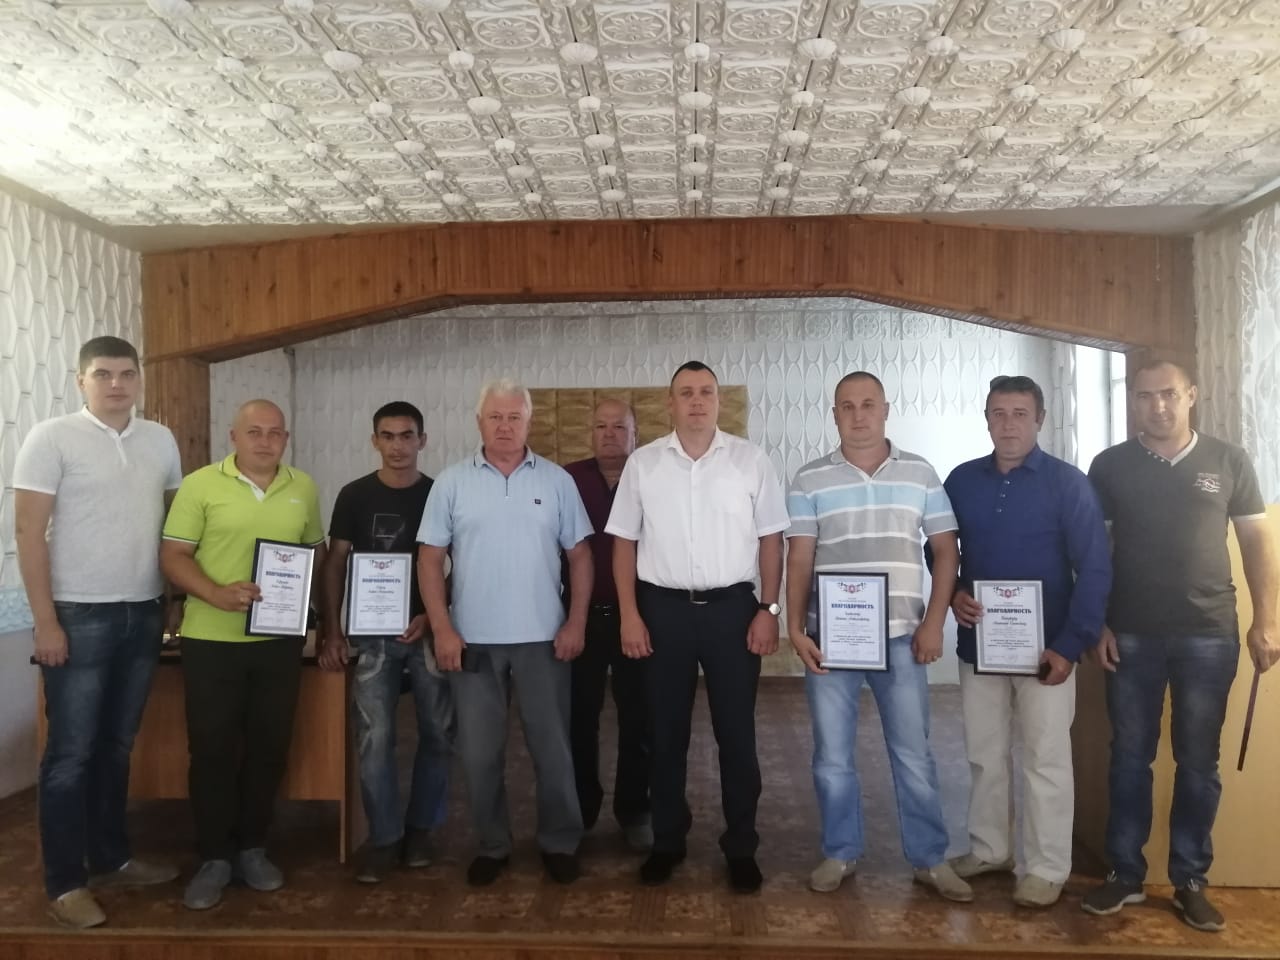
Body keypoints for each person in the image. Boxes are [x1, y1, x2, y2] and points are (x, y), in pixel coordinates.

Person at [1082, 356, 1278, 932]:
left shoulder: (1229, 460)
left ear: (1191, 395)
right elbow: (1095, 553)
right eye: (1145, 396)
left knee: (1198, 762)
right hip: (1129, 635)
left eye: (1168, 393)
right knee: (1129, 758)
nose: (1158, 406)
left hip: (1209, 635)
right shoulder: (1109, 466)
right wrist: (1098, 623)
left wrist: (1266, 620)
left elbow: (1257, 543)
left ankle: (1191, 879)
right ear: (1133, 401)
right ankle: (1124, 874)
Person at [14, 336, 183, 928]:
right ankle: (65, 884)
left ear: (139, 379)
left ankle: (112, 857)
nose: (116, 384)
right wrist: (45, 622)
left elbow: (175, 528)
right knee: (70, 755)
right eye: (103, 374)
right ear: (81, 380)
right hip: (77, 615)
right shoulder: (51, 437)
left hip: (144, 612)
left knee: (116, 747)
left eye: (127, 374)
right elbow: (28, 533)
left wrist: (174, 602)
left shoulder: (160, 440)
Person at [785, 371, 971, 902]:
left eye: (868, 404)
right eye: (847, 406)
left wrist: (934, 622)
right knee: (831, 756)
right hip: (832, 639)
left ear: (886, 410)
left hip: (903, 639)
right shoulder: (808, 479)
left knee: (913, 754)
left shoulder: (920, 473)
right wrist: (794, 627)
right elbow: (800, 558)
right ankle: (840, 851)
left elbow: (946, 552)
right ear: (834, 415)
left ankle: (930, 859)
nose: (858, 415)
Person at [606, 361, 788, 894]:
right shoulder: (643, 464)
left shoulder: (750, 461)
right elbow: (623, 543)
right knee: (664, 734)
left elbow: (772, 539)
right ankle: (667, 841)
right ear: (670, 403)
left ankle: (741, 846)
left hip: (734, 611)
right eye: (685, 393)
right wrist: (630, 615)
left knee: (737, 735)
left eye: (706, 392)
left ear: (718, 400)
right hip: (661, 611)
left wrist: (769, 609)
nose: (696, 401)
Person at [942, 375, 1112, 907]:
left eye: (1020, 414)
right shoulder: (961, 480)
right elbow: (940, 549)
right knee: (984, 753)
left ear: (1039, 419)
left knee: (1045, 757)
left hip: (1048, 651)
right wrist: (954, 593)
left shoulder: (1068, 484)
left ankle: (1046, 867)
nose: (1008, 424)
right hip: (980, 644)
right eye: (998, 413)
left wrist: (1071, 644)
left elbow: (1095, 567)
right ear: (986, 419)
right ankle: (990, 850)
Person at [417, 378, 593, 886]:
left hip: (544, 639)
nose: (505, 426)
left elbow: (581, 556)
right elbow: (429, 560)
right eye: (495, 417)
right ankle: (492, 844)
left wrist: (576, 621)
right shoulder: (451, 483)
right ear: (479, 422)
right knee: (479, 753)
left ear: (529, 422)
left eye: (514, 417)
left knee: (552, 749)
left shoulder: (557, 482)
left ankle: (560, 841)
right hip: (472, 641)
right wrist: (443, 628)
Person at [160, 399, 327, 911]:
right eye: (254, 432)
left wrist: (310, 612)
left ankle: (253, 847)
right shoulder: (200, 485)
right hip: (211, 641)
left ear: (286, 438)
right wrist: (214, 594)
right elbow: (173, 556)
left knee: (268, 748)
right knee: (212, 751)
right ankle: (214, 856)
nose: (265, 441)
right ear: (233, 436)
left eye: (274, 433)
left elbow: (315, 554)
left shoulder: (303, 487)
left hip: (279, 644)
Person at [318, 401, 455, 883]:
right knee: (374, 739)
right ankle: (384, 838)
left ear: (423, 440)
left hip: (427, 633)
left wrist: (433, 615)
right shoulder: (354, 495)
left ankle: (420, 830)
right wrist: (332, 630)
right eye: (388, 436)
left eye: (407, 435)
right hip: (372, 636)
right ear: (374, 440)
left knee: (439, 734)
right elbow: (335, 562)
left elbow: (459, 562)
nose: (398, 446)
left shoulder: (440, 493)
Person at [563, 399, 652, 853]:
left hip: (638, 618)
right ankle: (580, 808)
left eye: (620, 427)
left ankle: (634, 809)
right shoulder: (568, 480)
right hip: (581, 617)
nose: (610, 434)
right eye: (601, 426)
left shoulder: (652, 475)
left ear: (636, 434)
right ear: (590, 433)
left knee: (639, 718)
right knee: (579, 718)